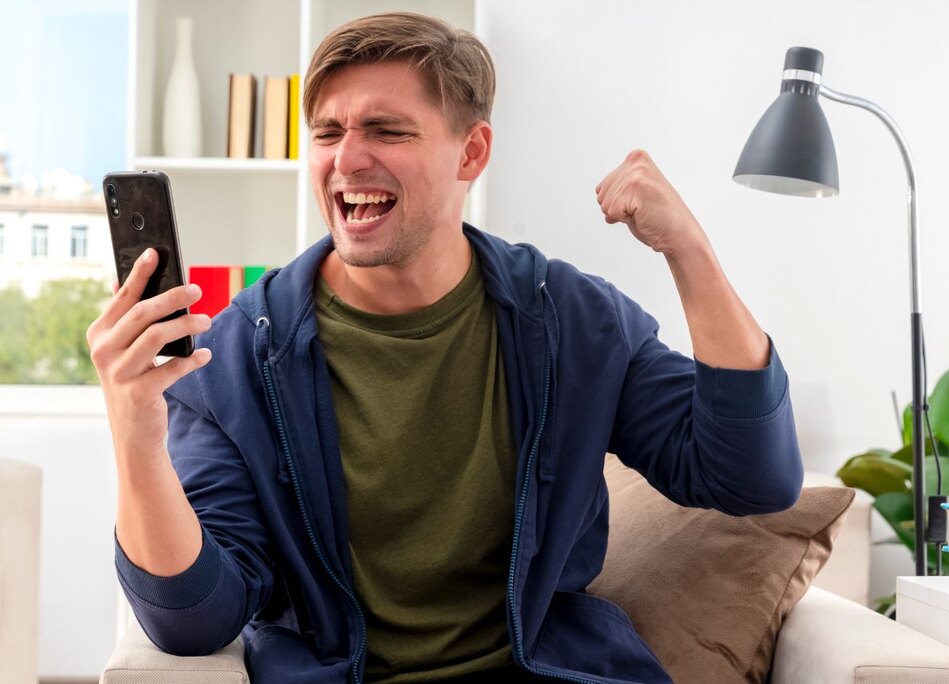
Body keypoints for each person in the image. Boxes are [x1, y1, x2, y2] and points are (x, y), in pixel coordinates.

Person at [88, 12, 802, 684]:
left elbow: (751, 479)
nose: (347, 159)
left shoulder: (573, 322)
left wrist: (690, 250)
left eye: (386, 130)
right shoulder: (237, 356)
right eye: (328, 132)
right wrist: (136, 437)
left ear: (472, 151)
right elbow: (194, 621)